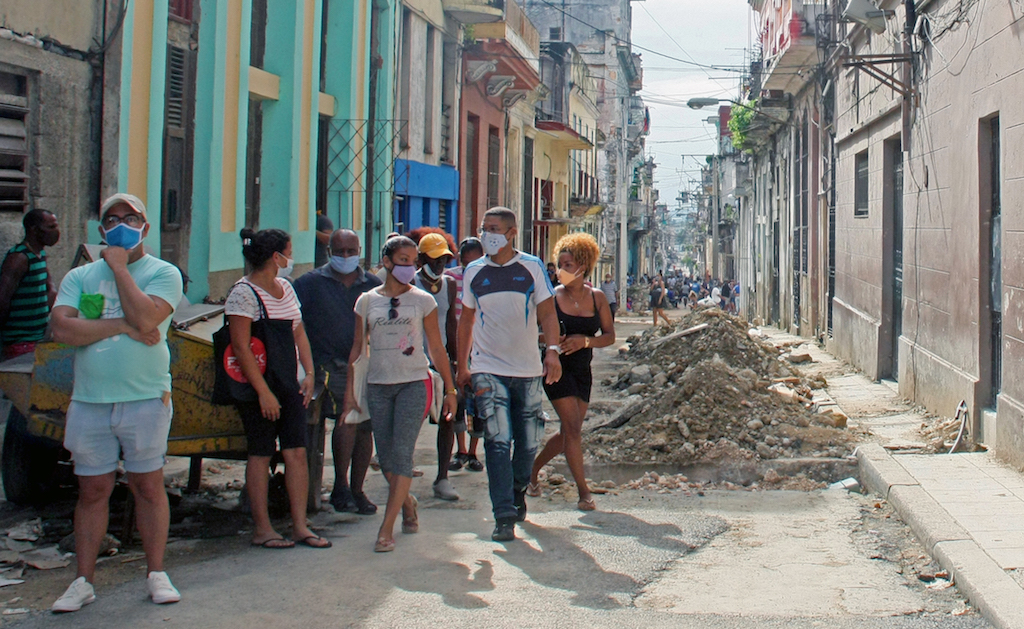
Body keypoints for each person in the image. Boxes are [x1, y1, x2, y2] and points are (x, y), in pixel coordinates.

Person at [49, 193, 183, 612]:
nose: (121, 223)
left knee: (147, 485)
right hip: (90, 400)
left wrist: (121, 270)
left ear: (145, 225)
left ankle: (156, 573)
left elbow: (148, 320)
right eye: (112, 217)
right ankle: (82, 581)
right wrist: (123, 325)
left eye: (131, 217)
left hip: (145, 397)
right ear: (101, 227)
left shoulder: (163, 273)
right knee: (92, 490)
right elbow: (62, 330)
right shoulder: (80, 277)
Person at [344, 236, 456, 552]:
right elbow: (357, 347)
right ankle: (407, 503)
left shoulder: (423, 301)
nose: (409, 266)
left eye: (412, 261)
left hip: (413, 384)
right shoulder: (366, 301)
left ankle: (385, 528)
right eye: (402, 260)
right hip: (378, 386)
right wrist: (349, 392)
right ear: (388, 262)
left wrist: (450, 388)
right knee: (388, 460)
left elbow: (436, 347)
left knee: (403, 453)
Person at [456, 207, 562, 542]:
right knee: (497, 441)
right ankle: (503, 514)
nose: (488, 234)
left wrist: (553, 353)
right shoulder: (474, 272)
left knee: (528, 443)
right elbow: (467, 320)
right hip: (488, 369)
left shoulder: (530, 268)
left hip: (528, 370)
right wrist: (463, 365)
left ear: (512, 233)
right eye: (484, 228)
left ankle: (518, 488)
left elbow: (547, 313)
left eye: (495, 229)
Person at [224, 228, 331, 550]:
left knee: (296, 452)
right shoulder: (242, 294)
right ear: (276, 256)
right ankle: (263, 528)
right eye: (289, 251)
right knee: (260, 453)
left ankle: (300, 525)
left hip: (291, 383)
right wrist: (263, 392)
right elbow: (241, 348)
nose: (291, 258)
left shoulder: (285, 287)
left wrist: (309, 372)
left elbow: (299, 334)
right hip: (259, 386)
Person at [293, 229, 381, 515]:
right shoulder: (309, 284)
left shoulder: (372, 284)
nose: (346, 257)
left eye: (351, 251)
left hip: (366, 363)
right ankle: (341, 486)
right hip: (328, 364)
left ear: (360, 251)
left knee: (365, 426)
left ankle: (357, 488)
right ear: (330, 252)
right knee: (348, 419)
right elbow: (296, 325)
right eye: (340, 251)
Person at [529, 234, 615, 511]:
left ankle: (531, 472)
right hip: (556, 368)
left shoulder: (597, 297)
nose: (562, 270)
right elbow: (534, 332)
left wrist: (585, 341)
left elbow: (610, 336)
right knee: (574, 430)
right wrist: (553, 341)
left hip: (583, 370)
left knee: (569, 432)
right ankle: (583, 492)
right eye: (560, 264)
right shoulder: (551, 297)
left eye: (569, 264)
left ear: (583, 266)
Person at [409, 231, 460, 501]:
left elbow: (451, 323)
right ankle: (402, 471)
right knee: (412, 419)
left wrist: (457, 361)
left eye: (444, 260)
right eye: (435, 259)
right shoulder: (412, 284)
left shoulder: (449, 285)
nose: (439, 265)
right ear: (422, 259)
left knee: (448, 416)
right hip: (416, 361)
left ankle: (442, 477)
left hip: (440, 361)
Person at [0, 209, 60, 360]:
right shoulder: (19, 258)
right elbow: (2, 299)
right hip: (19, 343)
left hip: (37, 339)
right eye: (50, 227)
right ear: (34, 230)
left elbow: (50, 290)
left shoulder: (40, 255)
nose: (56, 232)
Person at [446, 238, 484, 473]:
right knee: (458, 399)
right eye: (465, 261)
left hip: (481, 347)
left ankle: (473, 451)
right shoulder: (450, 279)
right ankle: (460, 450)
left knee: (478, 401)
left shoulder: (488, 278)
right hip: (456, 346)